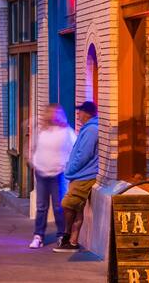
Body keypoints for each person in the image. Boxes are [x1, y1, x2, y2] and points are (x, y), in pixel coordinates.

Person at [53, 101, 99, 253]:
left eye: (80, 112)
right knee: (77, 209)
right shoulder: (89, 129)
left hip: (83, 176)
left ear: (87, 113)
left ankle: (67, 236)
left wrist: (70, 169)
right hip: (81, 175)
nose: (78, 115)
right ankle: (73, 242)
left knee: (67, 204)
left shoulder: (91, 130)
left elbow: (84, 154)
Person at [28, 104, 76, 249]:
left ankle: (61, 235)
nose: (52, 116)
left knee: (58, 206)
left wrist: (66, 166)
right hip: (41, 172)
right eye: (49, 113)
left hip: (58, 173)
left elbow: (74, 149)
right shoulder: (42, 130)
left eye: (55, 113)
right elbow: (34, 147)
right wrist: (33, 161)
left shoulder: (67, 132)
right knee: (41, 207)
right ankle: (38, 236)